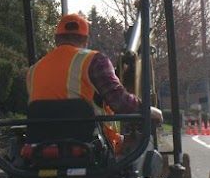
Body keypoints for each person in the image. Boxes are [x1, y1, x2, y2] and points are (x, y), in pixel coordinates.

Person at [27, 12, 163, 131]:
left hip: (40, 149)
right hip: (89, 148)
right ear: (86, 40)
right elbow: (120, 103)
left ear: (56, 39)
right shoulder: (94, 61)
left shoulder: (34, 70)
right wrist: (147, 109)